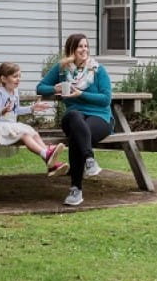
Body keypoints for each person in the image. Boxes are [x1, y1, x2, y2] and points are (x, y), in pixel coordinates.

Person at [36, 33, 112, 206]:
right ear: (71, 50)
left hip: (99, 116)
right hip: (73, 117)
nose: (84, 50)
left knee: (77, 137)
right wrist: (54, 88)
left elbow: (106, 99)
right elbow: (40, 88)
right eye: (80, 46)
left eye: (86, 46)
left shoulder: (98, 70)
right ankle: (89, 160)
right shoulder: (62, 69)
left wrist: (81, 94)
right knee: (74, 116)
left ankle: (76, 189)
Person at [0, 62, 68, 176]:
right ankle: (47, 155)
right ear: (4, 79)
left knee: (33, 133)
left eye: (19, 76)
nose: (18, 79)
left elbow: (17, 110)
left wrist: (32, 108)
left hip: (11, 125)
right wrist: (3, 111)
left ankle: (50, 162)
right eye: (15, 76)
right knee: (25, 135)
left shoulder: (15, 92)